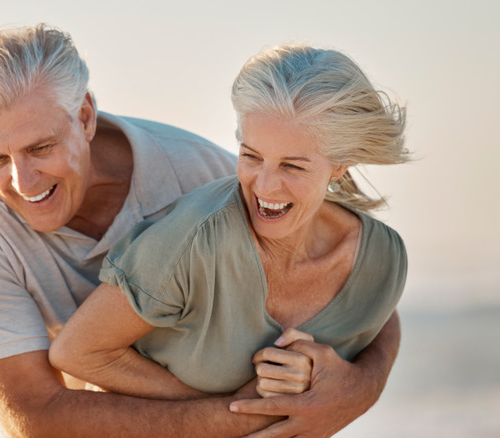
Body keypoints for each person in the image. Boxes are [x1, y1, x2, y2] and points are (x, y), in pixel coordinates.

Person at [0, 22, 402, 438]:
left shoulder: (200, 175)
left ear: (84, 117)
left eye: (41, 147)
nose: (22, 182)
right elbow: (37, 416)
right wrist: (247, 415)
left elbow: (350, 293)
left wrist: (361, 387)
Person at [50, 42, 408, 405]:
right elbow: (76, 353)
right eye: (251, 156)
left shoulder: (381, 259)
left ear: (340, 164)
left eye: (292, 166)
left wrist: (325, 382)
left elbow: (373, 340)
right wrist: (223, 415)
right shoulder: (192, 241)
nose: (264, 185)